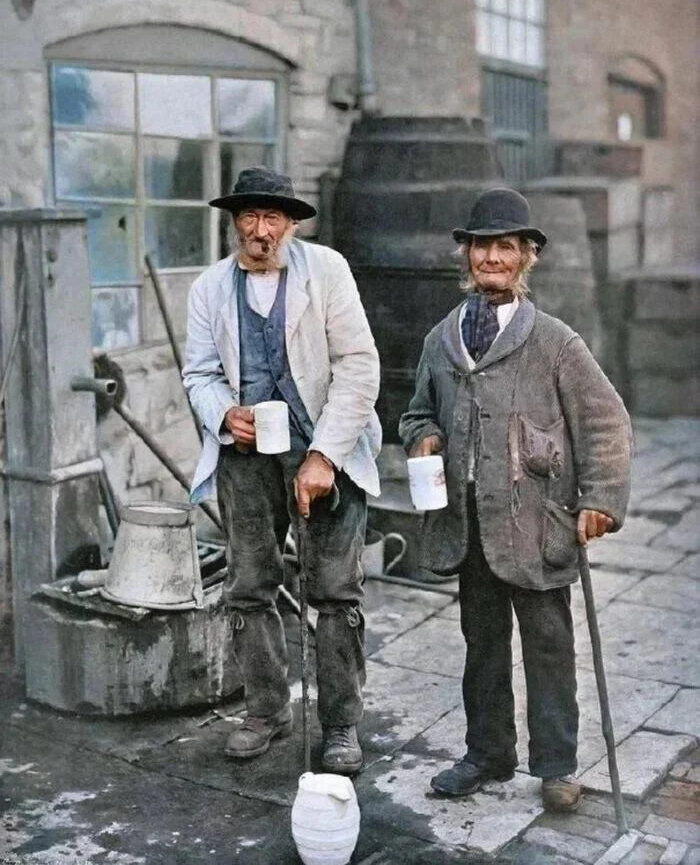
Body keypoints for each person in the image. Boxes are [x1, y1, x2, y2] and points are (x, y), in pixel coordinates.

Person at [398, 187, 633, 812]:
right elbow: (417, 409)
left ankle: (556, 765)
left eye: (506, 247)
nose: (492, 258)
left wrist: (600, 499)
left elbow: (606, 422)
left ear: (526, 257)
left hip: (537, 526)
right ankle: (487, 754)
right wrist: (422, 436)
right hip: (470, 524)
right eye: (482, 247)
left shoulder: (555, 341)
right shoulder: (440, 340)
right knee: (483, 645)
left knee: (549, 648)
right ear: (466, 256)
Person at [182, 166, 381, 774]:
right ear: (234, 221)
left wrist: (323, 455)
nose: (259, 230)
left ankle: (341, 723)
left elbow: (359, 365)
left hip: (329, 450)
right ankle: (267, 708)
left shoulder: (327, 272)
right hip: (248, 461)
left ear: (290, 223)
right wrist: (225, 415)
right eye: (248, 217)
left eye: (272, 217)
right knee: (248, 586)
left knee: (334, 590)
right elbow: (199, 374)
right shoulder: (210, 287)